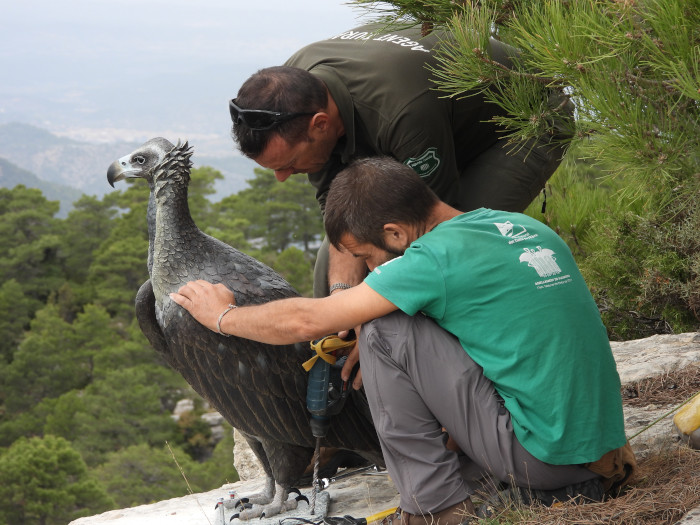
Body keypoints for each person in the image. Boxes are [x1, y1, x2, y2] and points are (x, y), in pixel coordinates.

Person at [171, 157, 635, 525]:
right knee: (396, 317)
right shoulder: (521, 228)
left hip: (548, 461)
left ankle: (435, 506)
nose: (371, 270)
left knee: (382, 328)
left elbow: (304, 322)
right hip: (605, 451)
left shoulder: (430, 260)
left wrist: (222, 315)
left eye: (367, 256)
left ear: (394, 231)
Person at [228, 23, 575, 298]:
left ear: (320, 124)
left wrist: (366, 312)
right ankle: (344, 370)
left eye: (287, 164)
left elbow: (425, 230)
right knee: (338, 255)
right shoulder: (292, 89)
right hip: (442, 120)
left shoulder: (402, 113)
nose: (284, 177)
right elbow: (340, 217)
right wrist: (341, 298)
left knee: (456, 240)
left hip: (527, 121)